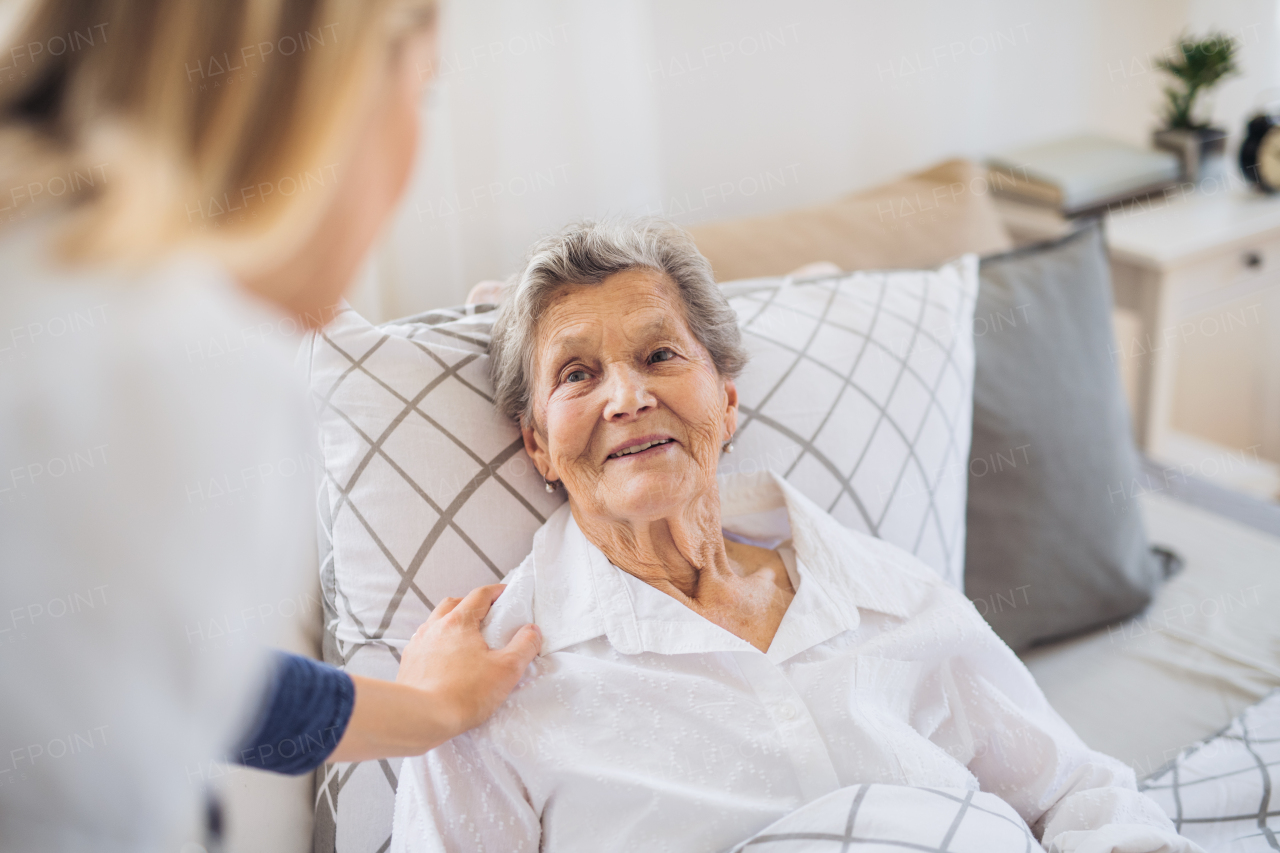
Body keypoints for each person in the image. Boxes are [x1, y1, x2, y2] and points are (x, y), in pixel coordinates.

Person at [389, 219, 1201, 853]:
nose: (627, 396)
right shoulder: (485, 679)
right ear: (537, 444)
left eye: (659, 353)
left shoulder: (886, 590)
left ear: (726, 402)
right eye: (577, 373)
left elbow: (1075, 793)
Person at [0, 1, 537, 850]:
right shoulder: (171, 354)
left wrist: (434, 708)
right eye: (422, 91)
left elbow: (169, 677)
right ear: (330, 90)